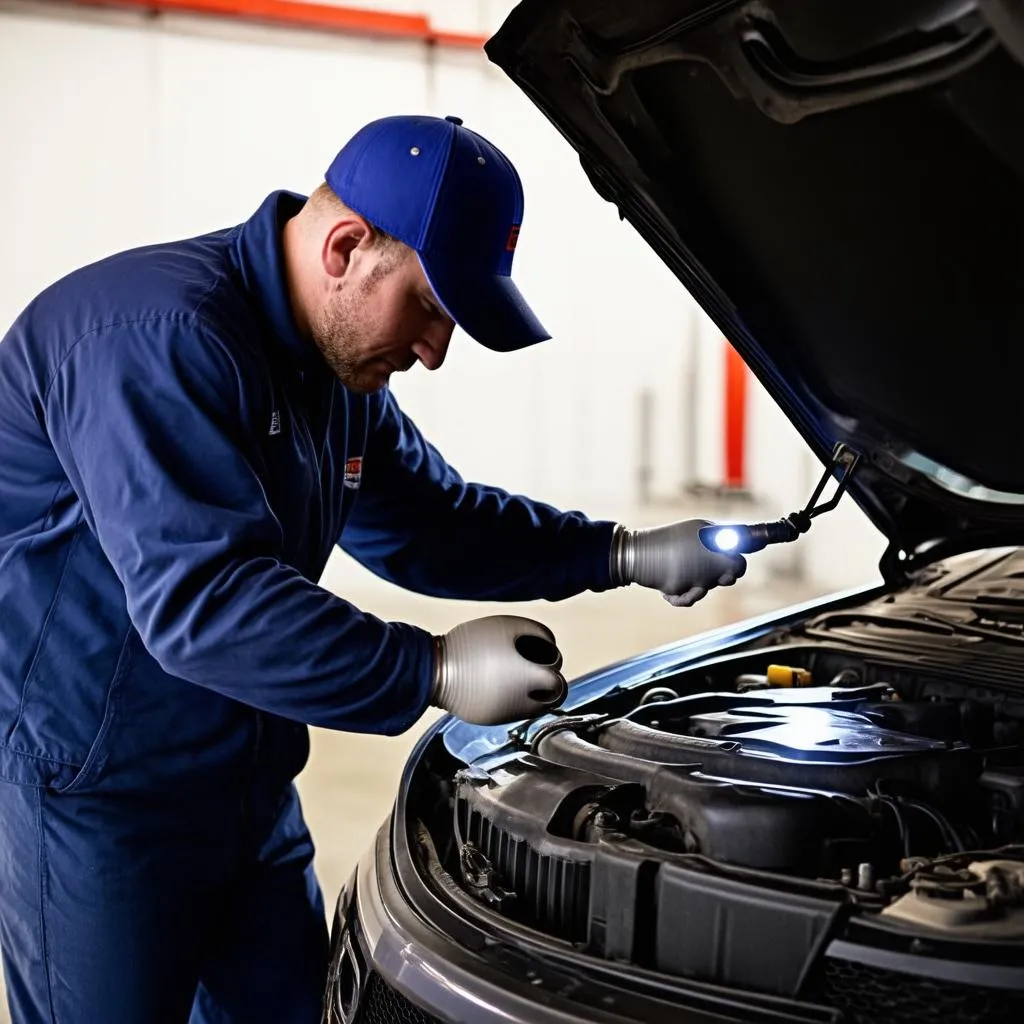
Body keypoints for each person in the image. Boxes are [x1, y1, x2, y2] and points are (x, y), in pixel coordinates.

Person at [0, 114, 745, 1023]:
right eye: (430, 307)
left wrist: (617, 553)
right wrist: (430, 668)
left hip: (243, 778)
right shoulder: (154, 339)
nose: (435, 349)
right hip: (96, 793)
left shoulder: (333, 371)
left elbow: (431, 525)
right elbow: (207, 606)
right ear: (347, 247)